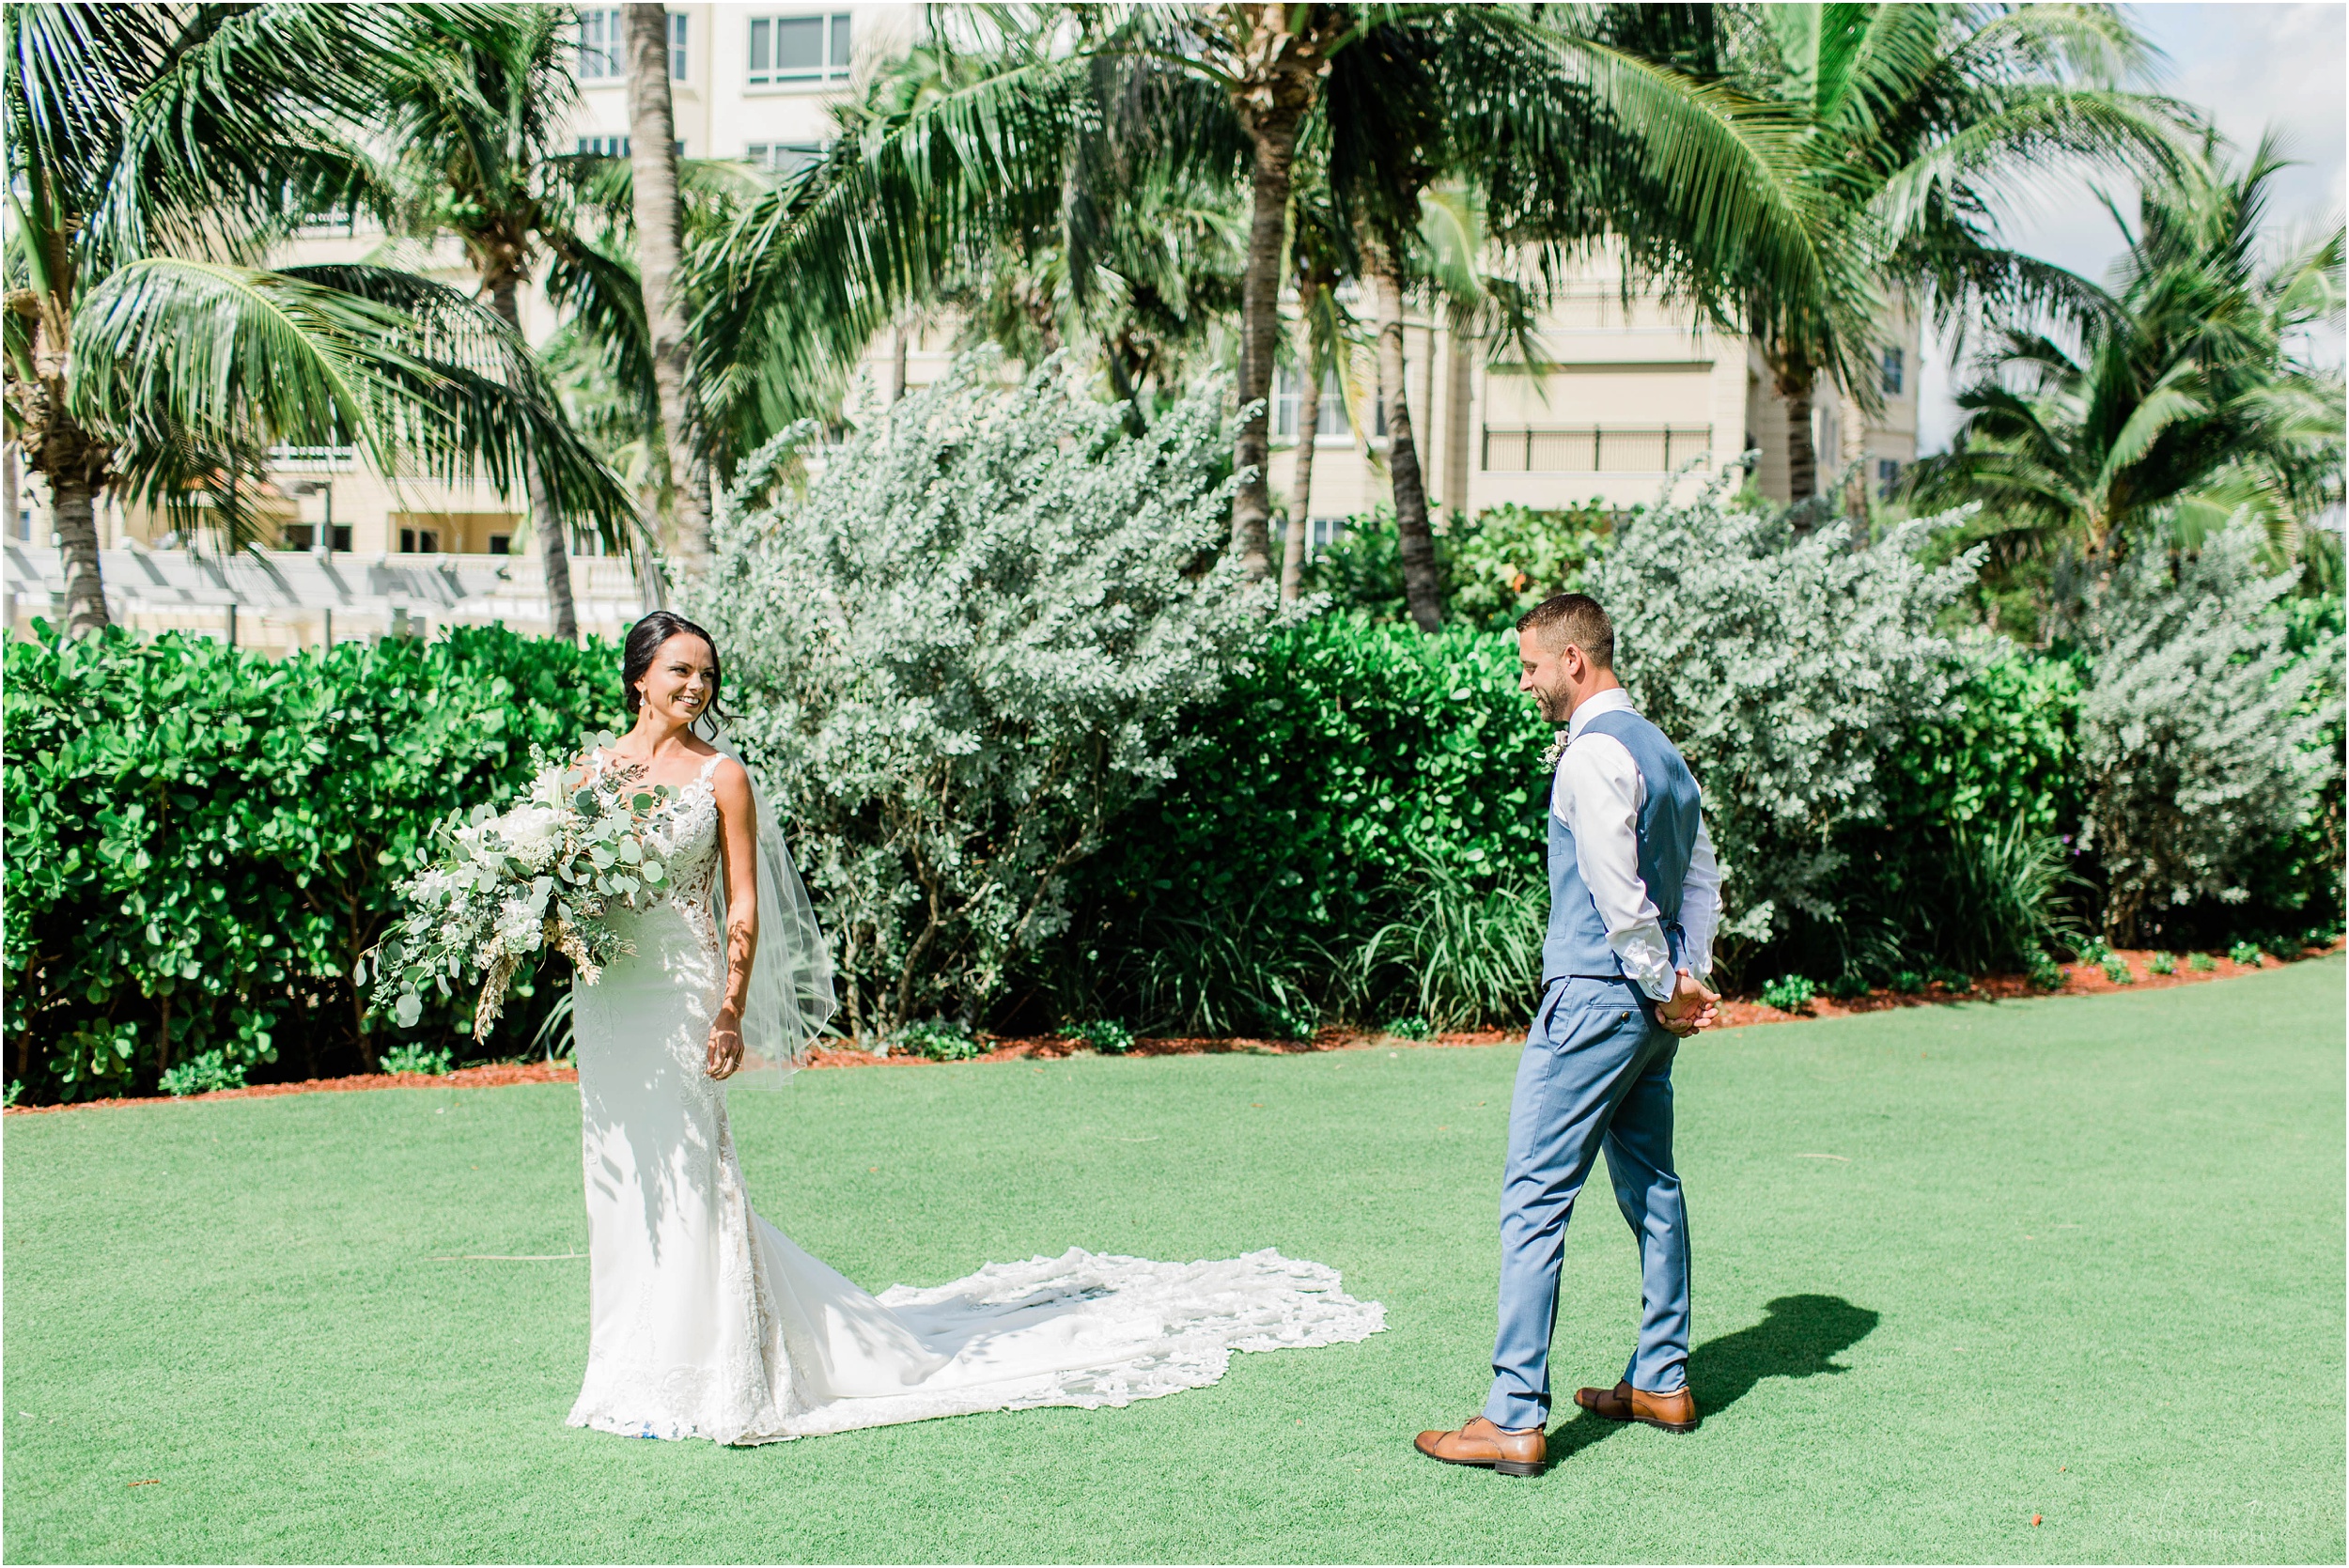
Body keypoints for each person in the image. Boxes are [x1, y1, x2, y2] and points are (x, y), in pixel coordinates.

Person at [565, 612, 1382, 1444]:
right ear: (639, 677)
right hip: (609, 995)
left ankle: (701, 1371)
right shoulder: (588, 772)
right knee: (620, 1171)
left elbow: (743, 900)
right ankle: (624, 1368)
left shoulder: (722, 776)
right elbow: (566, 879)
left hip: (682, 994)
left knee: (695, 1172)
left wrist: (731, 1005)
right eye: (680, 671)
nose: (697, 687)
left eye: (707, 673)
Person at [1414, 593, 1723, 1477]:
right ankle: (1663, 1377)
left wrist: (1666, 980)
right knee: (1654, 1186)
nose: (1527, 683)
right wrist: (1685, 975)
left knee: (1536, 1195)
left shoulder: (1592, 755)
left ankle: (1513, 1414)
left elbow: (1618, 894)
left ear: (1573, 660)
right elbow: (1699, 877)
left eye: (1531, 666)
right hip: (1648, 1014)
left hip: (1595, 1001)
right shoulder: (1666, 755)